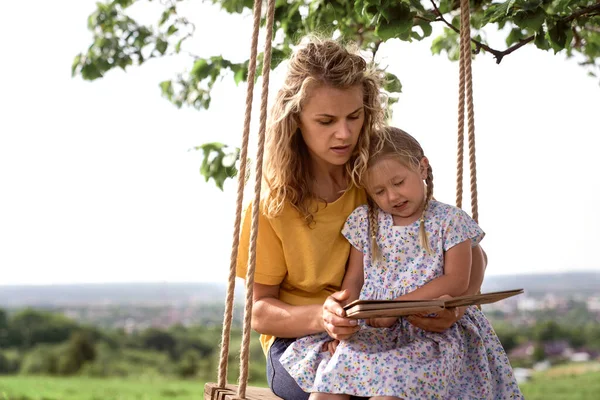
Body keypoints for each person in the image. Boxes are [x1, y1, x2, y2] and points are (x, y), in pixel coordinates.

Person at [236, 36, 489, 400]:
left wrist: (457, 306)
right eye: (326, 121)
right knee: (344, 390)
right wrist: (322, 318)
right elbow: (259, 312)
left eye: (354, 117)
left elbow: (467, 253)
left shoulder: (375, 179)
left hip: (386, 331)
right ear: (296, 121)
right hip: (301, 339)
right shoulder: (272, 206)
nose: (344, 133)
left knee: (411, 384)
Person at [279, 127, 523, 399]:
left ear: (422, 167)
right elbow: (354, 281)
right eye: (379, 191)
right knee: (328, 386)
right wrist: (344, 325)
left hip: (426, 333)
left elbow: (456, 280)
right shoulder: (365, 220)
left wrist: (398, 306)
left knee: (393, 391)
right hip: (373, 328)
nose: (392, 197)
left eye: (399, 182)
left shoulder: (450, 221)